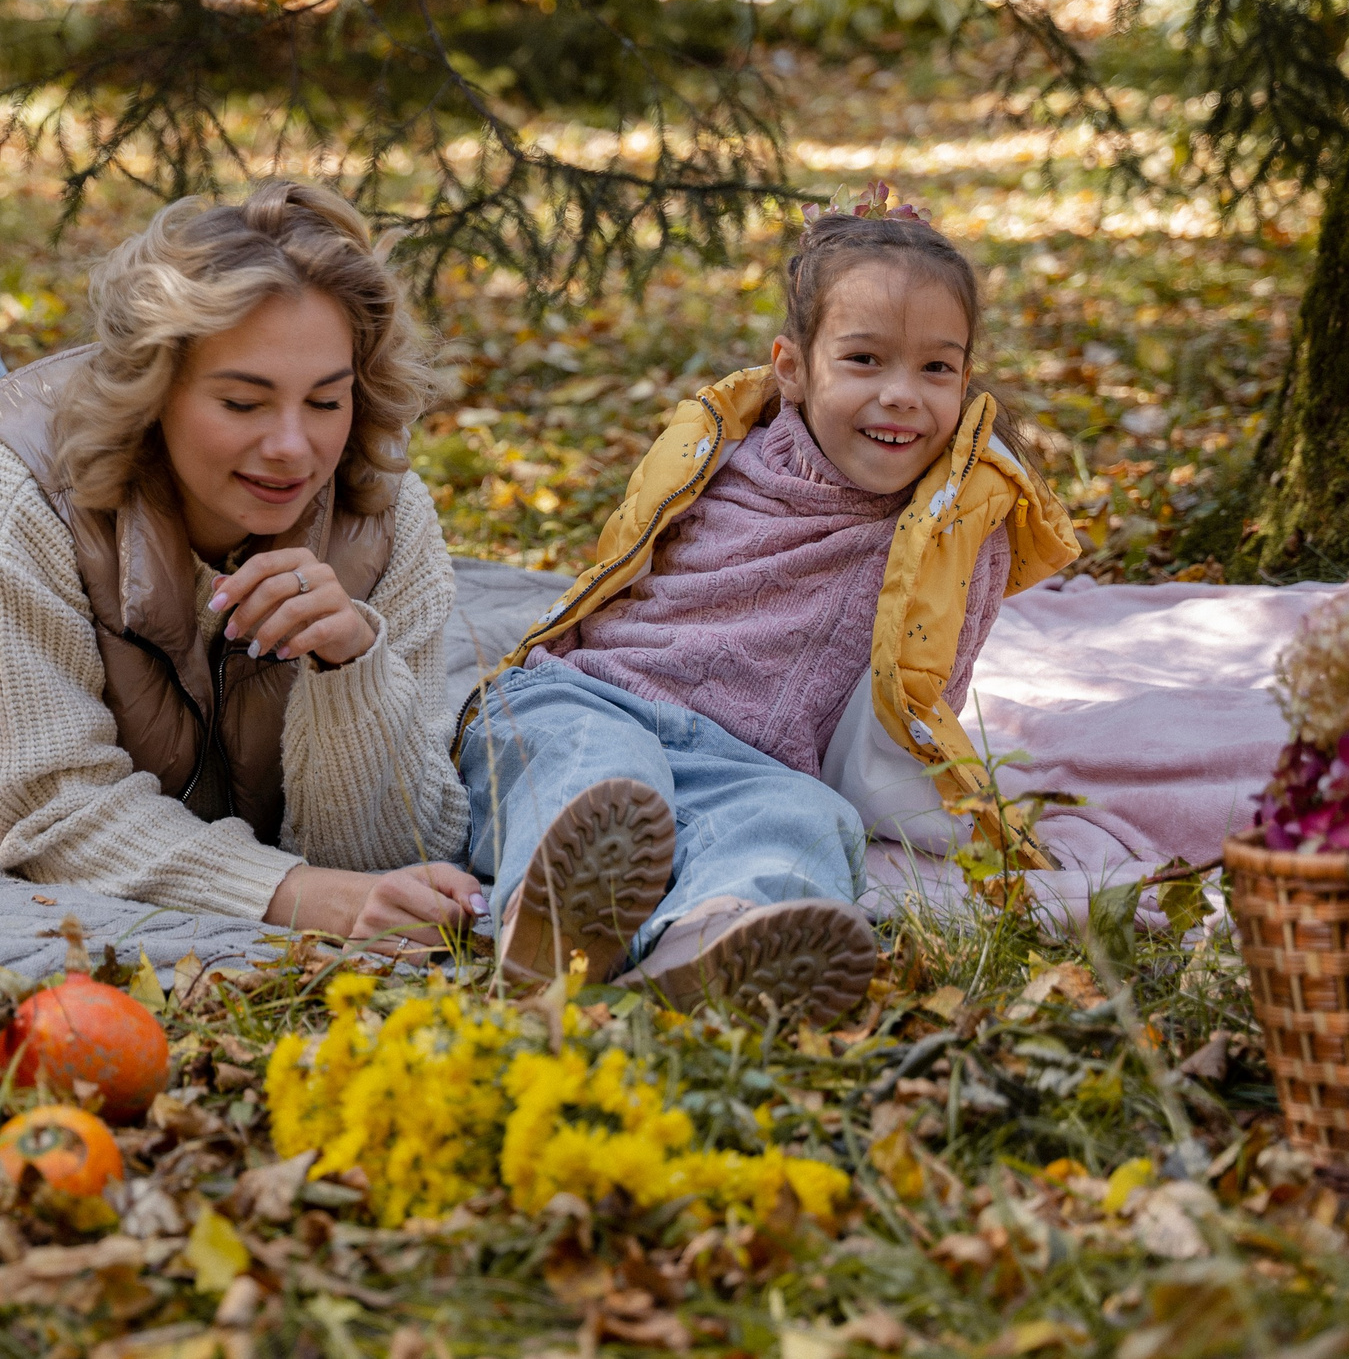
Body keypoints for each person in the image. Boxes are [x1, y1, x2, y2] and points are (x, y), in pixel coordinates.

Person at [0, 96, 477, 944]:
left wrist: (351, 665)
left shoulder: (383, 509)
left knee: (17, 437)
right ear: (156, 391)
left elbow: (401, 840)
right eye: (243, 401)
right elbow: (60, 809)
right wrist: (301, 895)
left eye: (325, 399)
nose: (294, 447)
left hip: (46, 504)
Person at [456, 194, 1078, 1016]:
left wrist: (974, 508)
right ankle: (553, 924)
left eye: (936, 369)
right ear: (792, 368)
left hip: (746, 765)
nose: (902, 394)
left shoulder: (944, 523)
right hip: (588, 697)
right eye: (864, 359)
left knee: (806, 820)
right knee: (597, 773)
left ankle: (712, 937)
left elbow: (924, 682)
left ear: (966, 383)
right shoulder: (727, 448)